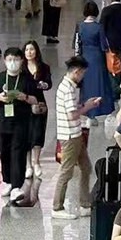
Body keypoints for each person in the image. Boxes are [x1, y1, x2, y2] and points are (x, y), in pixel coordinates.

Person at [0, 47, 39, 203]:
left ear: (21, 61)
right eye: (9, 60)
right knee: (4, 153)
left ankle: (16, 186)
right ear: (4, 61)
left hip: (21, 123)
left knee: (18, 153)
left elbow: (36, 100)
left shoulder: (27, 79)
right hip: (2, 123)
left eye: (16, 59)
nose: (13, 63)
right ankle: (8, 181)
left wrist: (25, 97)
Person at [52, 56, 100, 220]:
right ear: (77, 72)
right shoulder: (68, 89)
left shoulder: (69, 87)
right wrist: (88, 106)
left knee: (86, 167)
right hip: (70, 136)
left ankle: (85, 203)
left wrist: (85, 105)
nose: (82, 77)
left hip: (76, 134)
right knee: (66, 171)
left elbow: (73, 109)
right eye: (82, 74)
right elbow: (72, 115)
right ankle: (57, 207)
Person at [74, 2, 115, 121]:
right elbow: (104, 45)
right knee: (99, 81)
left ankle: (86, 107)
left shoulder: (80, 26)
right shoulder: (99, 27)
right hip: (97, 57)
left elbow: (76, 44)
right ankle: (100, 107)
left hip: (84, 57)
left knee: (86, 83)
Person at [23, 41, 51, 179]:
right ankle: (28, 165)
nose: (29, 52)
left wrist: (44, 85)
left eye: (32, 49)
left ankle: (36, 162)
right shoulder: (21, 68)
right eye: (27, 49)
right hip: (24, 103)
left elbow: (49, 84)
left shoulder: (44, 67)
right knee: (26, 134)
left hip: (40, 102)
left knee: (38, 132)